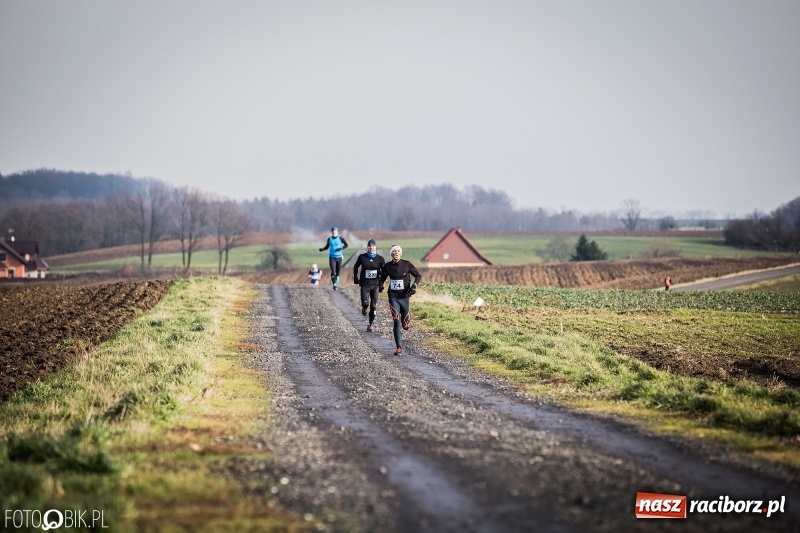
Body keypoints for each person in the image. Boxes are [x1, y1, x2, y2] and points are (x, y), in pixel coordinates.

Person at [378, 244, 421, 355]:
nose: (396, 252)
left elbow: (418, 276)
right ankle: (399, 347)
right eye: (394, 251)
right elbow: (382, 278)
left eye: (398, 251)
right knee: (396, 320)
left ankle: (405, 323)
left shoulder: (407, 264)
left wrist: (414, 286)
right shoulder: (387, 266)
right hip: (393, 296)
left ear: (401, 253)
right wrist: (381, 285)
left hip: (405, 296)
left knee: (405, 323)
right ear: (391, 254)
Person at [353, 239, 385, 332]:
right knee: (366, 303)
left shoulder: (380, 259)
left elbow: (384, 273)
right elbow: (356, 267)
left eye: (373, 246)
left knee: (374, 306)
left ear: (376, 247)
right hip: (365, 284)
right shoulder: (362, 257)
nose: (371, 248)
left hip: (375, 285)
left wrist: (381, 284)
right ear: (368, 247)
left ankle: (371, 324)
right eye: (370, 246)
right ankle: (364, 307)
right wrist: (355, 277)